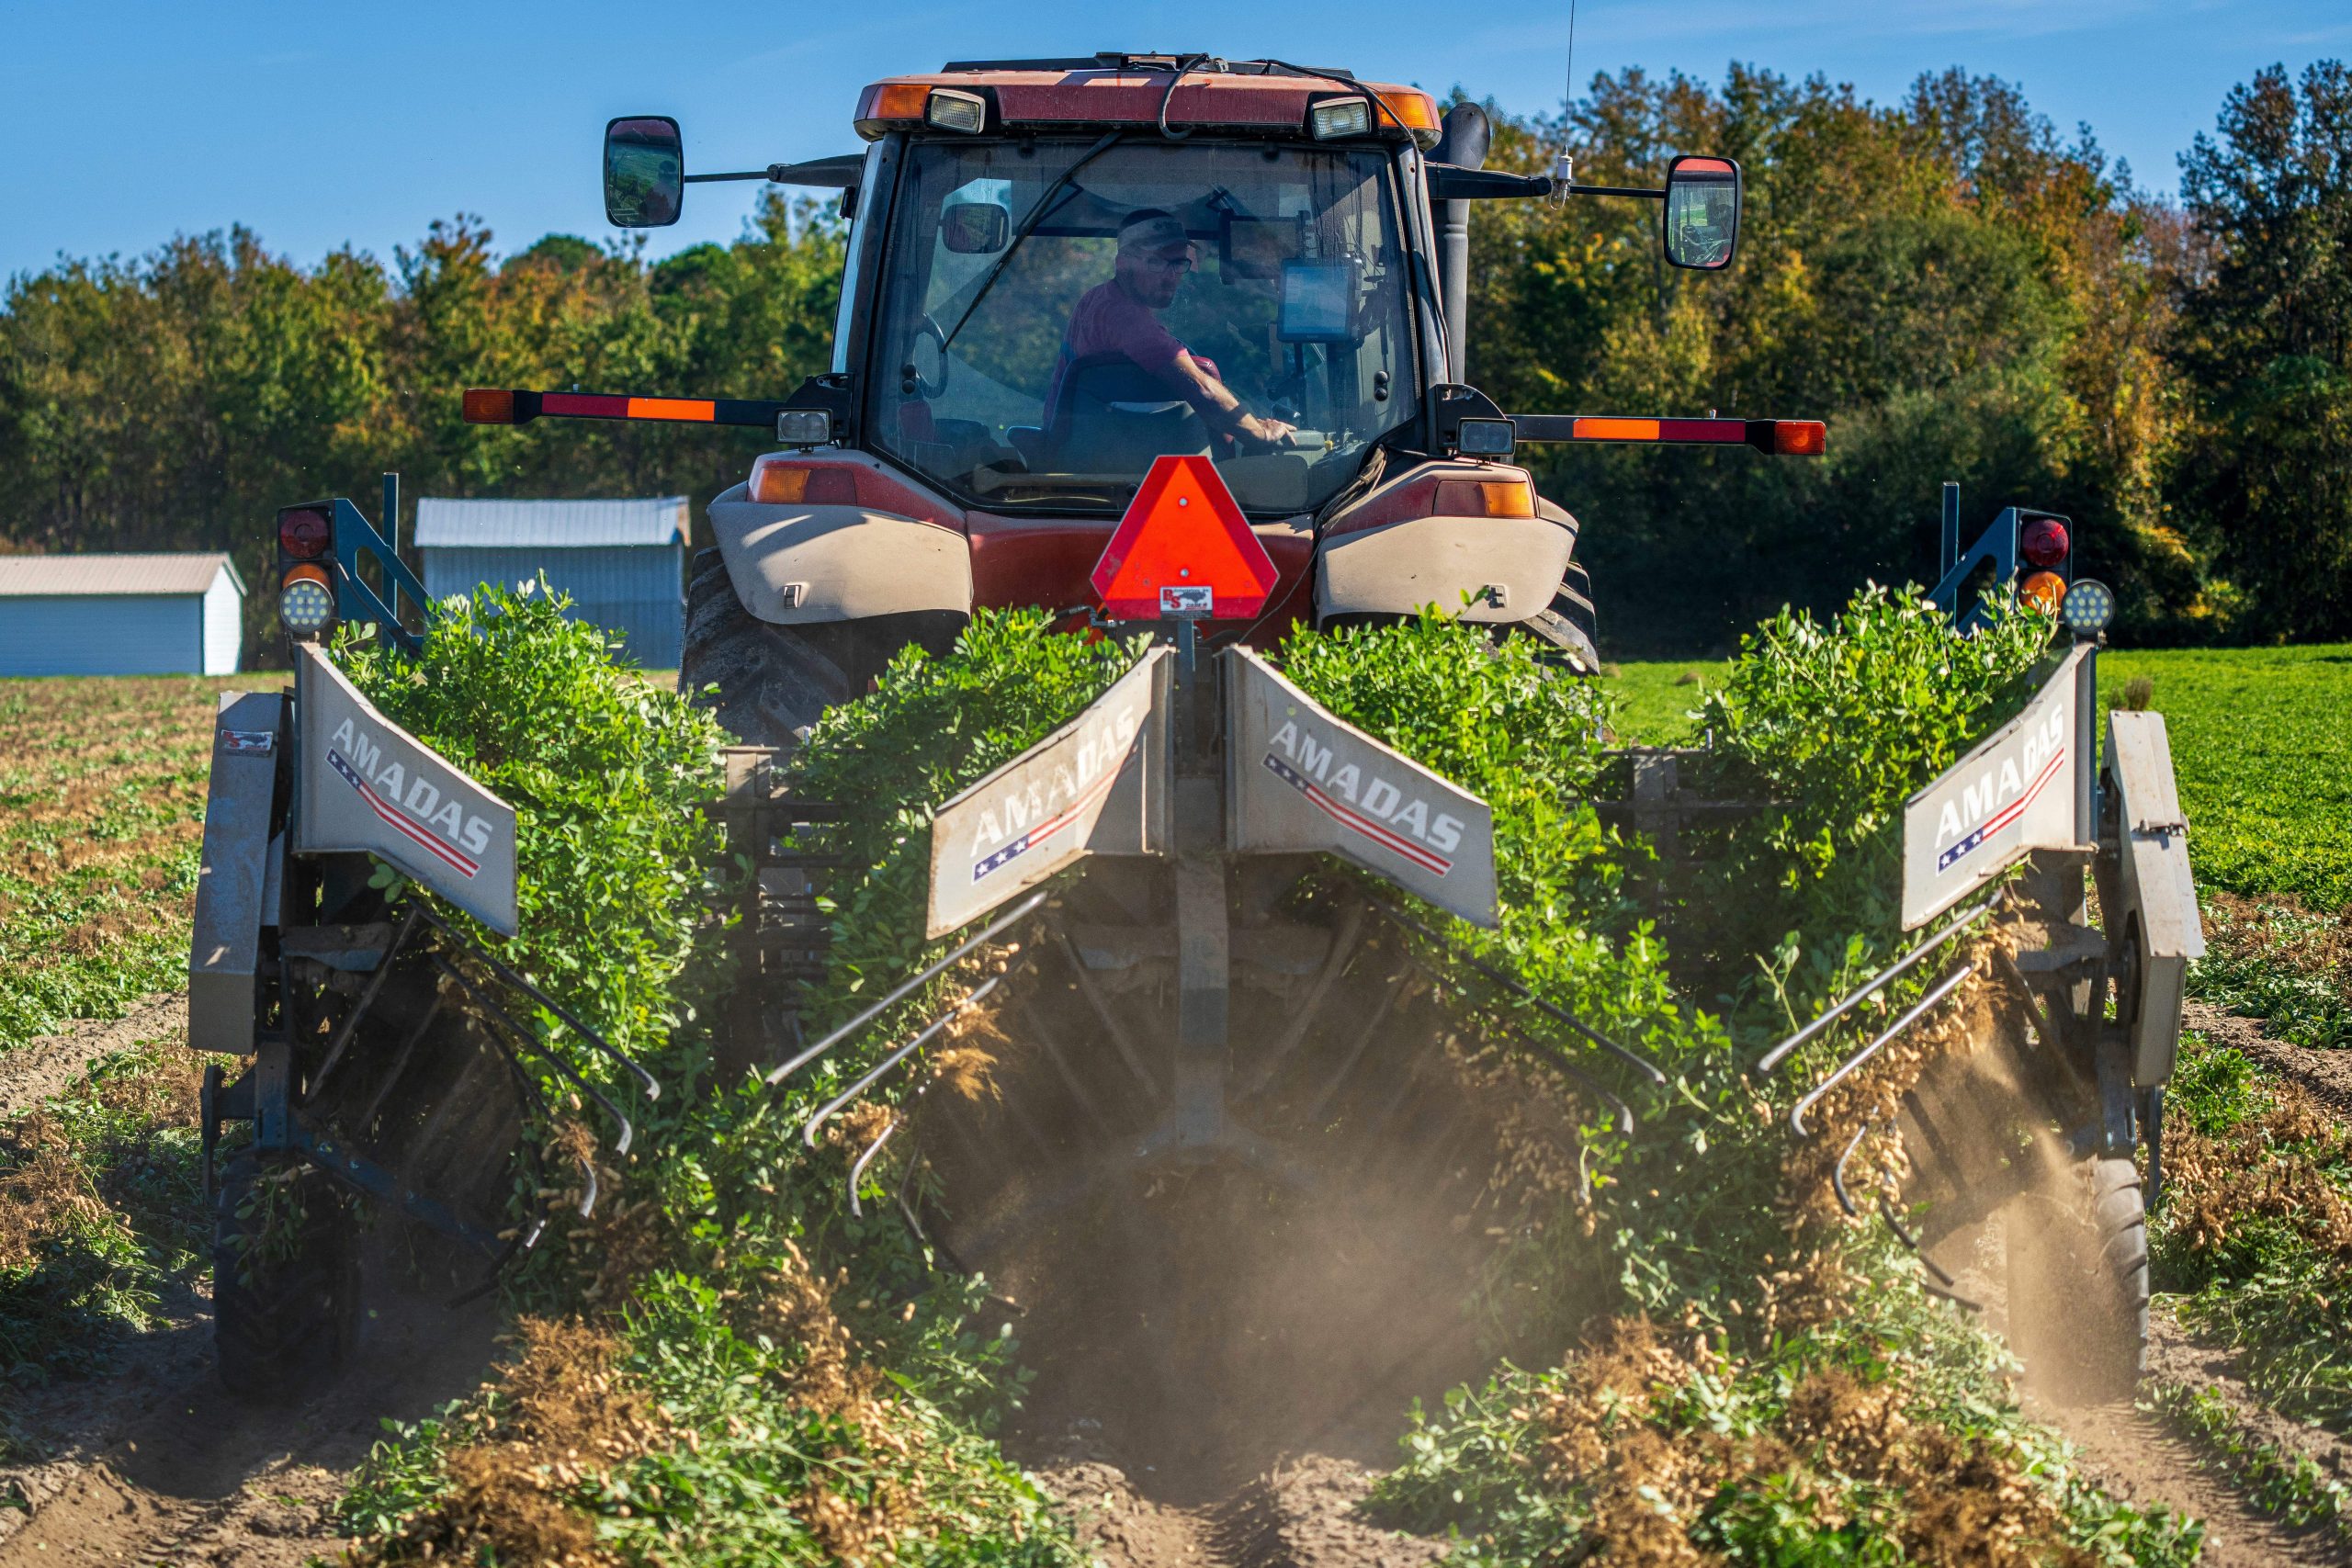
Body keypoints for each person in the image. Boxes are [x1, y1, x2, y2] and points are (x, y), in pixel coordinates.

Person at [1042, 209, 1295, 451]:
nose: (1171, 276)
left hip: (1086, 455)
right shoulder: (1128, 320)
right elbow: (1202, 390)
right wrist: (1259, 432)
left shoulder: (1095, 299)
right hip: (1135, 466)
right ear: (1123, 264)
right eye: (1156, 262)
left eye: (1178, 263)